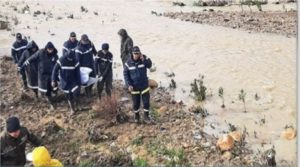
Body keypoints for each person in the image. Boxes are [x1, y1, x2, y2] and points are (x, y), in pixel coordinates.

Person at [22, 42, 58, 110]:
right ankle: (51, 103)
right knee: (46, 90)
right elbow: (31, 58)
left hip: (51, 74)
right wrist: (24, 64)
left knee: (54, 88)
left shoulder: (55, 55)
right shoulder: (40, 52)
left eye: (52, 49)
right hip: (43, 75)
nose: (51, 51)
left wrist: (57, 74)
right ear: (46, 48)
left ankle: (53, 95)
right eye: (49, 49)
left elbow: (57, 64)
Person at [123, 46, 152, 123]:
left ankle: (146, 116)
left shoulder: (144, 59)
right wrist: (128, 85)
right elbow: (126, 75)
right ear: (132, 54)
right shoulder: (128, 63)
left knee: (146, 102)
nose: (136, 55)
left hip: (144, 85)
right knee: (136, 103)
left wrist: (144, 60)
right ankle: (137, 116)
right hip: (134, 87)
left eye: (138, 53)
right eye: (135, 53)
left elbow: (149, 65)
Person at [52, 50, 81, 115]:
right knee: (69, 96)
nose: (70, 59)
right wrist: (53, 80)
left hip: (73, 80)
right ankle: (72, 109)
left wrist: (79, 83)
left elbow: (78, 73)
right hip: (64, 81)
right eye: (69, 58)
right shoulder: (61, 60)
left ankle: (77, 105)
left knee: (76, 93)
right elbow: (55, 70)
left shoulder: (75, 61)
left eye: (72, 58)